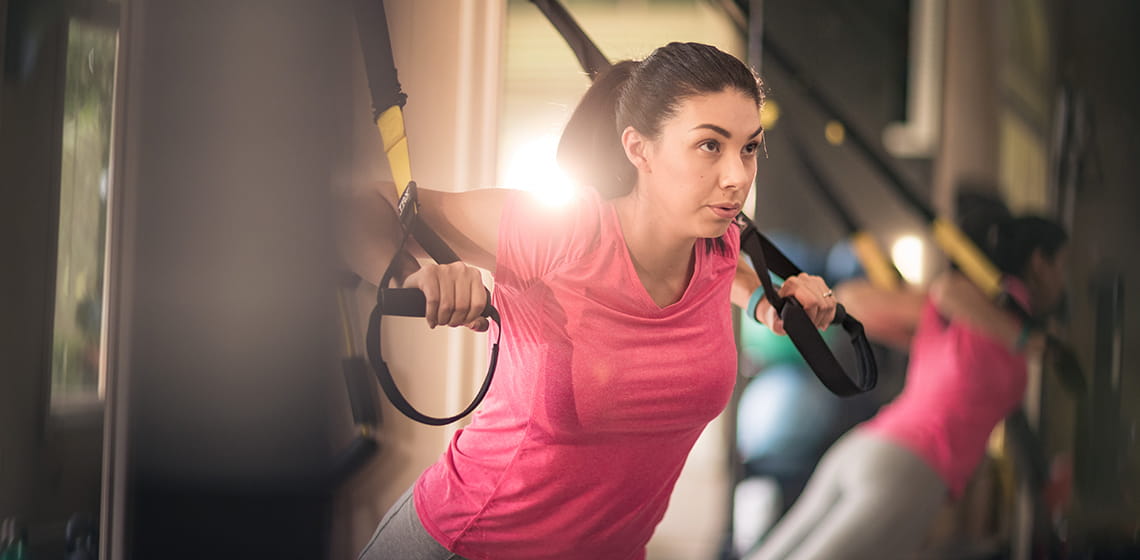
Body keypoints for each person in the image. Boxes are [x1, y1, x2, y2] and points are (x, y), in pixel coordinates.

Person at [340, 42, 839, 560]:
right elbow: (353, 210)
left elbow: (728, 275)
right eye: (710, 146)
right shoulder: (559, 231)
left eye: (749, 147)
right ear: (639, 149)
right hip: (468, 543)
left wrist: (771, 301)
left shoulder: (717, 243)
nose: (737, 176)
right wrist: (414, 277)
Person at [745, 202, 1069, 560]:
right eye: (1063, 266)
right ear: (1040, 262)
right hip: (908, 469)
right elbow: (945, 291)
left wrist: (1045, 482)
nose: (1064, 281)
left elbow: (1011, 416)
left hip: (867, 449)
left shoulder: (985, 329)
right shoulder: (992, 313)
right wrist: (1025, 337)